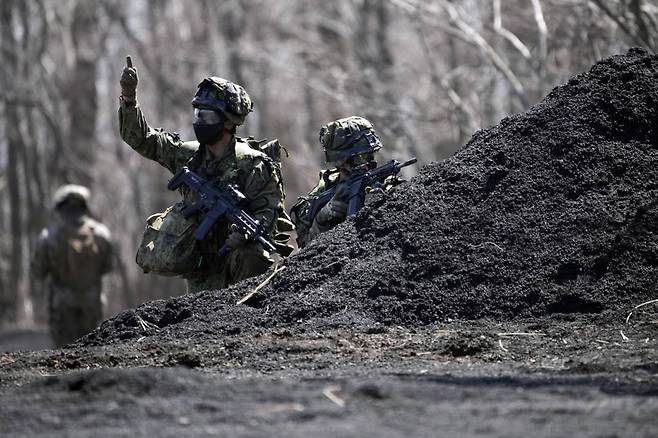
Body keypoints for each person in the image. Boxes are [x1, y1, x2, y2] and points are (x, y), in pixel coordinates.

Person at [118, 57, 292, 292]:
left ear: (229, 122)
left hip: (236, 260)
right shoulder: (188, 155)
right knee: (206, 321)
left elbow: (269, 213)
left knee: (253, 255)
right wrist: (129, 98)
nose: (200, 122)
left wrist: (244, 235)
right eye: (198, 114)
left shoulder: (253, 164)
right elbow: (141, 139)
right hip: (200, 263)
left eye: (208, 117)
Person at [291, 116, 399, 248]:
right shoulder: (321, 194)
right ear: (342, 162)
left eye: (371, 155)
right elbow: (303, 251)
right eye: (361, 157)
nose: (369, 163)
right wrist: (322, 220)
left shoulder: (385, 183)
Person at [31, 185, 114, 347]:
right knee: (93, 353)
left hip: (61, 308)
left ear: (60, 208)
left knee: (64, 357)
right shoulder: (101, 234)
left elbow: (38, 272)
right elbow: (108, 267)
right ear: (84, 206)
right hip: (92, 305)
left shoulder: (48, 237)